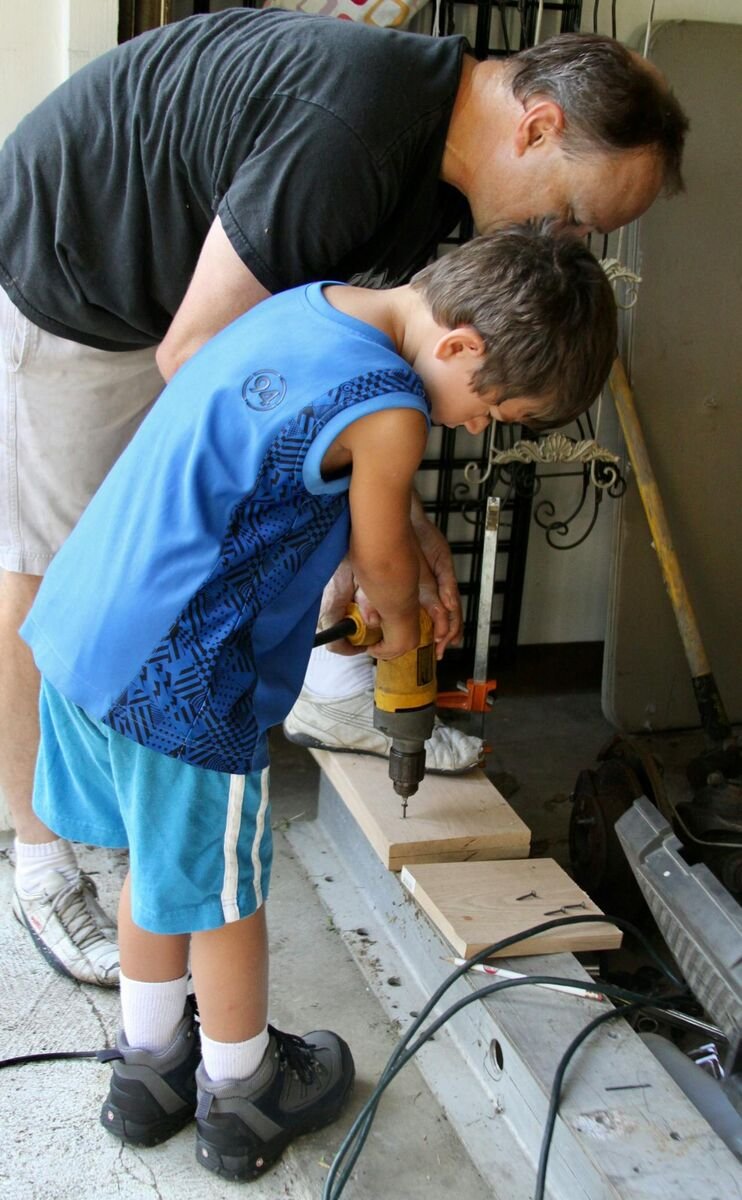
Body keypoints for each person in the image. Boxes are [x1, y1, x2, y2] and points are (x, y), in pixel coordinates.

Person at [0, 9, 688, 987]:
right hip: (80, 275)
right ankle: (39, 860)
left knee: (290, 505)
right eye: (576, 214)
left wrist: (389, 506)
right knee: (60, 566)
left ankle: (329, 699)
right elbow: (203, 353)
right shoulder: (357, 132)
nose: (567, 242)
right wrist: (393, 506)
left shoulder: (454, 184)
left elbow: (333, 400)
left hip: (191, 300)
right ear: (534, 128)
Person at [20, 223, 618, 1179]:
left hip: (84, 632)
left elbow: (279, 474)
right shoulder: (393, 411)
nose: (475, 426)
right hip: (181, 682)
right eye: (492, 405)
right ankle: (243, 1091)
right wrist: (403, 627)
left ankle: (149, 1069)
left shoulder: (311, 305)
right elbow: (385, 558)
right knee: (225, 900)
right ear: (459, 347)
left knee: (157, 864)